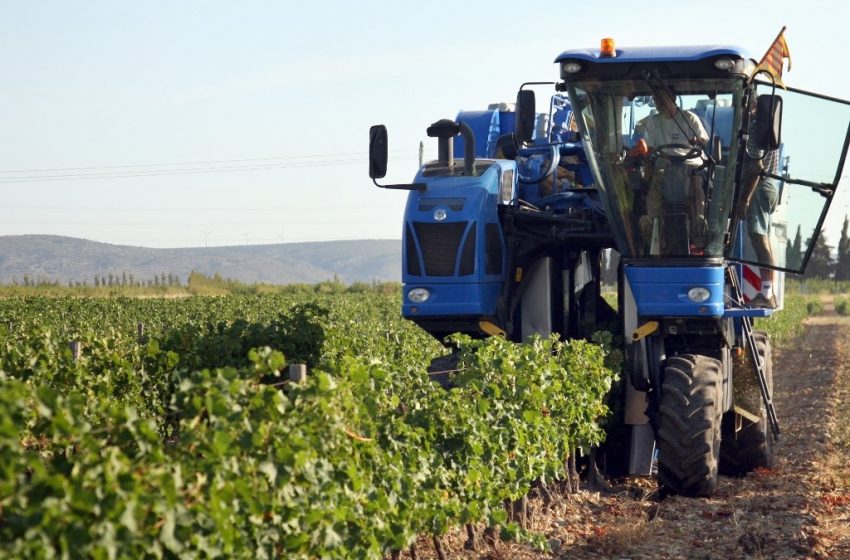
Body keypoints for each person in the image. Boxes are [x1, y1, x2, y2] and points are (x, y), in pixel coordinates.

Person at [634, 90, 710, 252]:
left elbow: (702, 140)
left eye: (662, 98)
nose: (658, 103)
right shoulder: (654, 121)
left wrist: (696, 140)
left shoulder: (689, 119)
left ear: (673, 99)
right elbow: (650, 147)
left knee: (696, 182)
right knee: (655, 183)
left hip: (690, 163)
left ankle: (698, 221)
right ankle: (651, 221)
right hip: (665, 164)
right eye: (656, 99)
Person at [738, 100, 780, 308]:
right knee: (764, 240)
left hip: (758, 187)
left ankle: (766, 295)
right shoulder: (769, 125)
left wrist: (744, 200)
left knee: (759, 240)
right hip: (770, 185)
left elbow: (756, 168)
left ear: (751, 104)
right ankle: (768, 292)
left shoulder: (754, 128)